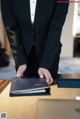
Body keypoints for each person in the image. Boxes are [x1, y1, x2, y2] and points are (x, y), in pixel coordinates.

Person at [1, 0, 69, 84]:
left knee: (49, 91)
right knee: (24, 91)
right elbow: (11, 28)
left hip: (49, 52)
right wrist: (20, 61)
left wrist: (46, 64)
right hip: (22, 53)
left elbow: (55, 29)